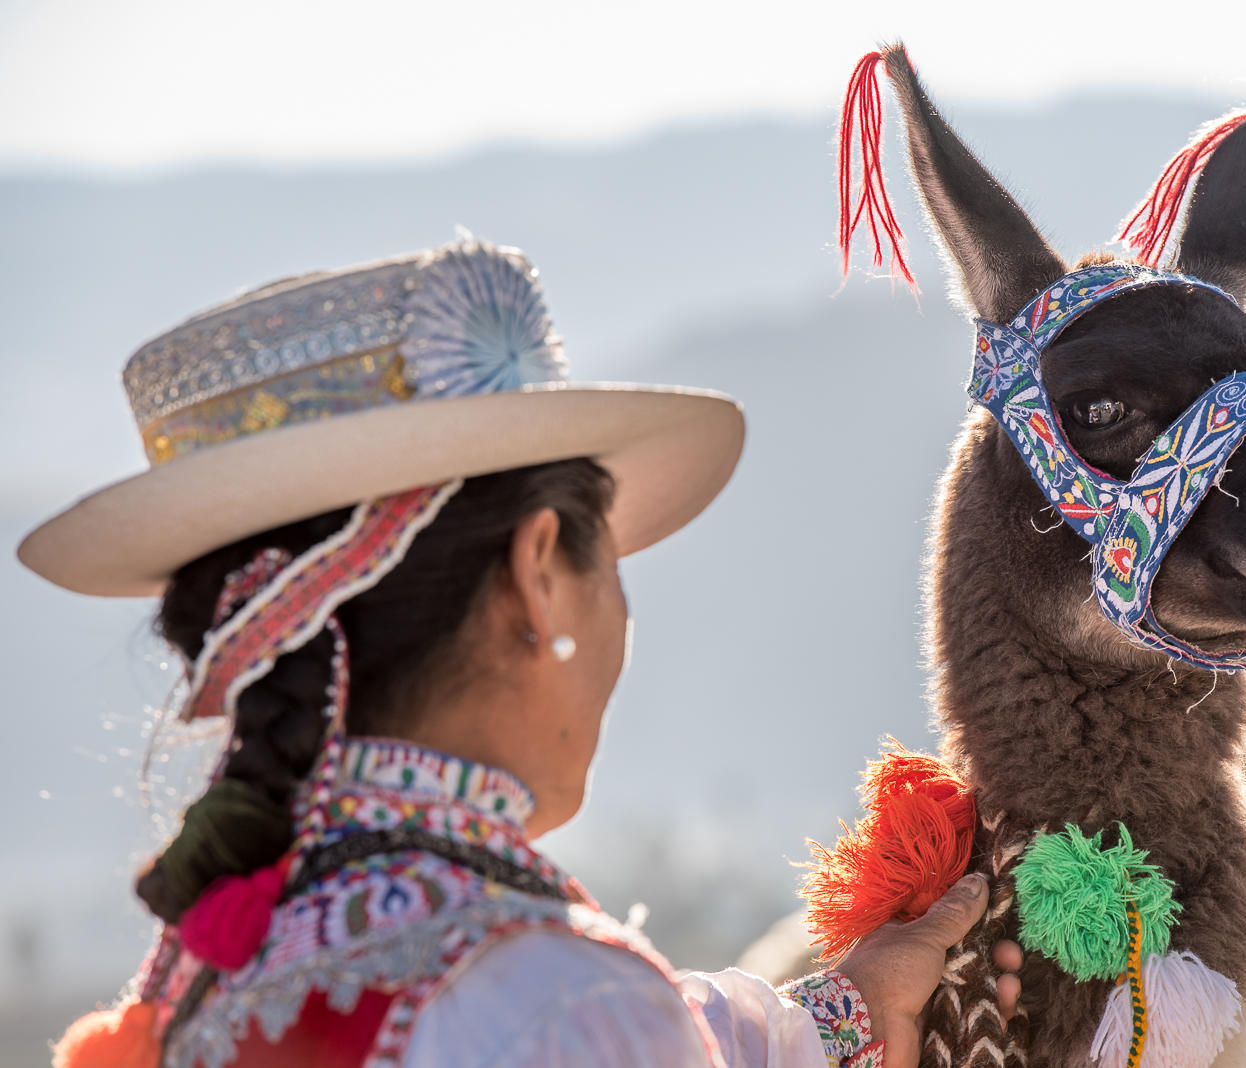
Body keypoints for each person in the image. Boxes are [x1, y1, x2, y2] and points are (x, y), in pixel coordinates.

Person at [22, 235, 1018, 1067]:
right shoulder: (559, 997)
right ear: (539, 569)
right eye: (609, 562)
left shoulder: (214, 973)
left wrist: (844, 1013)